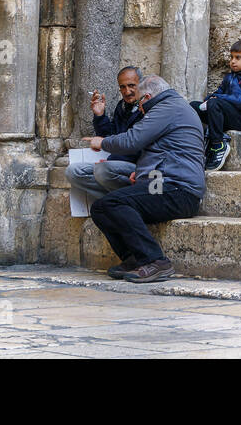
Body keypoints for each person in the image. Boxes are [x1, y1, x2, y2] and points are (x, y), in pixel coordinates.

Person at [84, 74, 206, 284]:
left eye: (140, 101)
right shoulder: (173, 106)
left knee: (112, 203)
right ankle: (134, 259)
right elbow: (162, 151)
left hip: (177, 190)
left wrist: (102, 142)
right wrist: (141, 173)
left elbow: (133, 140)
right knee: (101, 207)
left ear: (147, 97)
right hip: (166, 185)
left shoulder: (167, 108)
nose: (139, 107)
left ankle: (156, 261)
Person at [66, 65, 143, 205]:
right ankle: (117, 201)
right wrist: (100, 115)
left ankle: (121, 201)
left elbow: (137, 144)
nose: (127, 91)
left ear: (141, 85)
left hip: (137, 168)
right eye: (123, 87)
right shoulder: (122, 106)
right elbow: (110, 135)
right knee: (73, 172)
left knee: (103, 170)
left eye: (132, 85)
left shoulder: (147, 108)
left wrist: (112, 160)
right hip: (115, 166)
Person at [191, 39, 241, 171]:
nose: (233, 61)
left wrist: (218, 98)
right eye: (231, 57)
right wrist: (211, 98)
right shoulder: (230, 78)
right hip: (229, 115)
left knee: (215, 103)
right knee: (193, 106)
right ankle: (196, 142)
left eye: (238, 58)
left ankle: (218, 146)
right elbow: (216, 94)